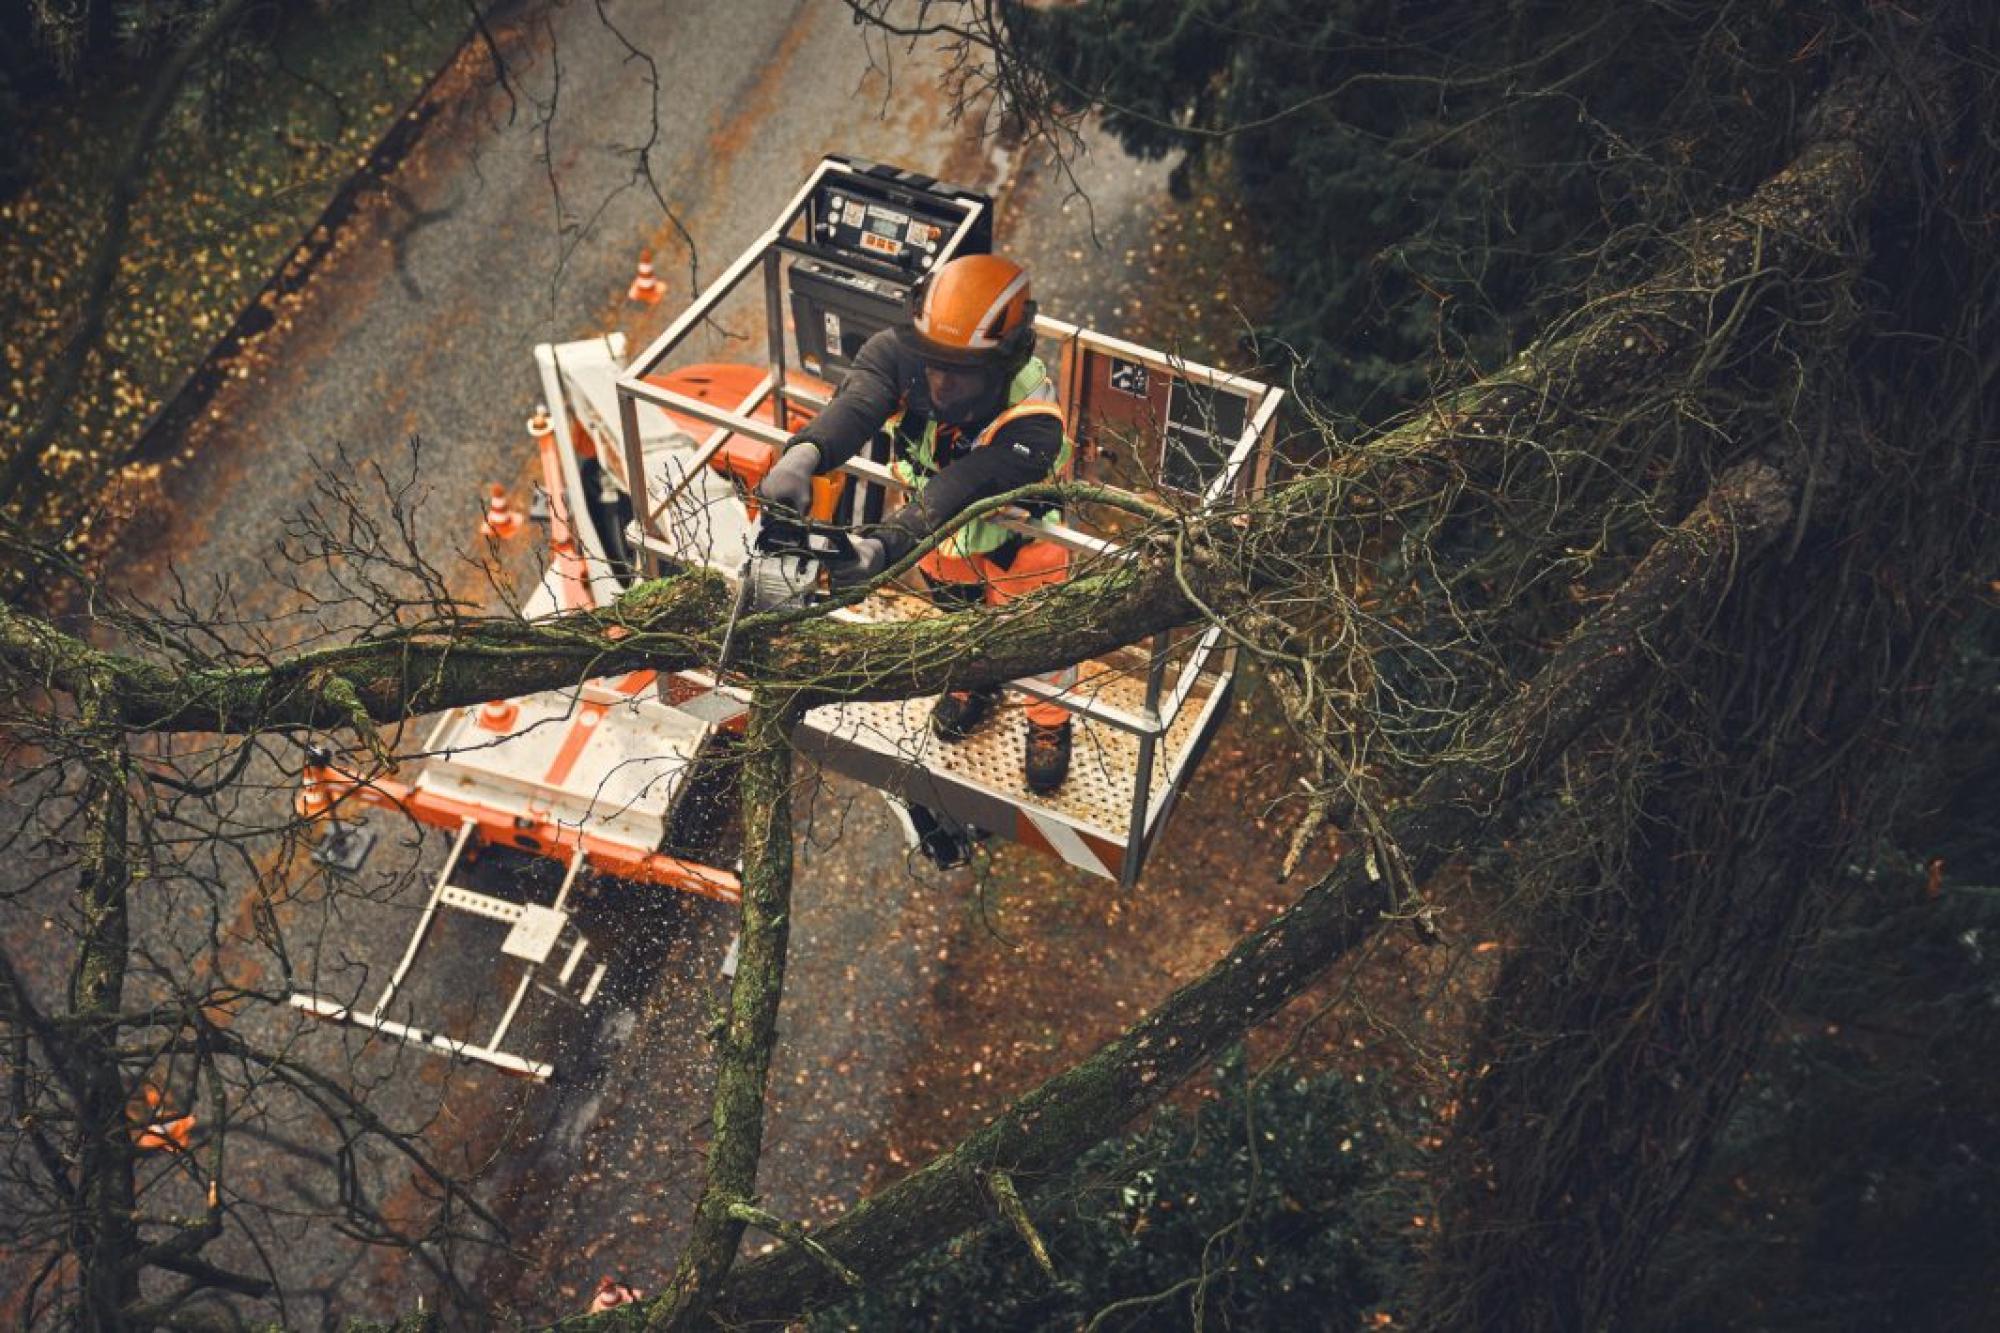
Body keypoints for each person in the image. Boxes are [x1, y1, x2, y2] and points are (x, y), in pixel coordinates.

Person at [757, 253, 1077, 794]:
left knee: (1041, 639)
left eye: (962, 371)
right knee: (955, 623)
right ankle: (971, 684)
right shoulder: (901, 354)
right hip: (940, 542)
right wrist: (802, 456)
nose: (942, 384)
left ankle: (1049, 724)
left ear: (1004, 361)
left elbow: (961, 487)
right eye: (934, 363)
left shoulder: (1034, 422)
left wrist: (885, 546)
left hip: (1019, 549)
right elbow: (857, 405)